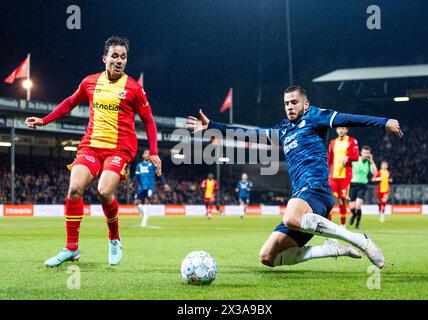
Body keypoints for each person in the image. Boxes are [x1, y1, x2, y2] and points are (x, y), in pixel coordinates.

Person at [187, 86, 403, 269]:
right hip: (303, 203)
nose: (289, 106)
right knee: (268, 257)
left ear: (305, 104)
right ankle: (331, 249)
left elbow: (348, 118)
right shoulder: (283, 131)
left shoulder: (314, 116)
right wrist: (213, 127)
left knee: (290, 217)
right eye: (286, 103)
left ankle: (360, 240)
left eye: (294, 102)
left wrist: (383, 122)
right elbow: (250, 133)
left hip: (316, 189)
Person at [25, 36, 161, 267]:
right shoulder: (90, 82)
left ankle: (114, 238)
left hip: (120, 148)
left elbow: (148, 121)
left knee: (104, 191)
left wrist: (155, 152)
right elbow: (70, 102)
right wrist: (45, 121)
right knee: (75, 188)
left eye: (123, 57)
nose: (119, 60)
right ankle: (71, 248)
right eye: (115, 56)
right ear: (105, 58)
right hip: (91, 145)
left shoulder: (134, 89)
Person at [327, 127, 359, 228]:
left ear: (347, 130)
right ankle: (329, 224)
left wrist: (348, 159)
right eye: (339, 128)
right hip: (333, 176)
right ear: (336, 130)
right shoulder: (332, 142)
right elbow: (329, 160)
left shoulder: (352, 141)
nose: (341, 130)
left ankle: (343, 224)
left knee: (342, 200)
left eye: (343, 129)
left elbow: (356, 157)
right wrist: (325, 173)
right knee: (329, 199)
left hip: (345, 176)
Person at [130, 149, 168, 227]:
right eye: (146, 153)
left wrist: (164, 183)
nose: (148, 155)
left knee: (146, 202)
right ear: (143, 155)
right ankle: (144, 213)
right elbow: (137, 175)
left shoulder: (153, 165)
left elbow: (159, 174)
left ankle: (143, 223)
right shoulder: (139, 165)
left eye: (149, 153)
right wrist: (133, 183)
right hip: (141, 187)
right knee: (136, 203)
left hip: (150, 186)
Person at [348, 146, 378, 229]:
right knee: (352, 207)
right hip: (352, 185)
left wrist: (371, 161)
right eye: (365, 153)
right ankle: (354, 214)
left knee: (358, 206)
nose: (366, 155)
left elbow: (375, 173)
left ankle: (357, 223)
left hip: (362, 186)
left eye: (368, 153)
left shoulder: (369, 162)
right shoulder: (354, 160)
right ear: (361, 153)